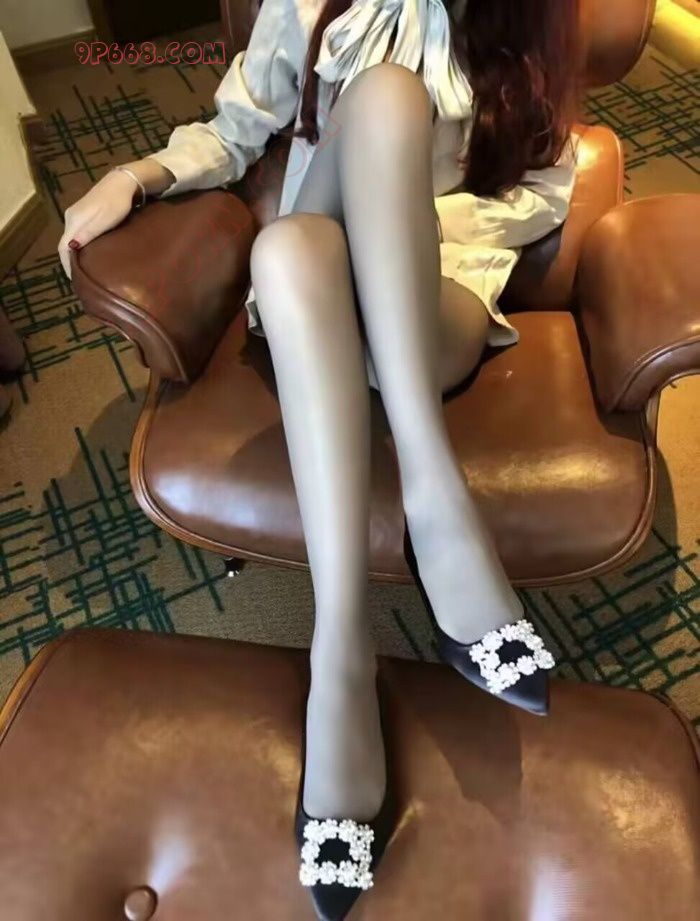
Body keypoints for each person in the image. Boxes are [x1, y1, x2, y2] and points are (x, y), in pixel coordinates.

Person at [59, 0, 580, 915]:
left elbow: (545, 185)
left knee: (298, 235)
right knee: (373, 112)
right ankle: (395, 567)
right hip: (311, 296)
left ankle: (345, 652)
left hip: (437, 293)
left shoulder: (523, 15)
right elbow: (235, 131)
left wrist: (410, 232)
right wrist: (135, 175)